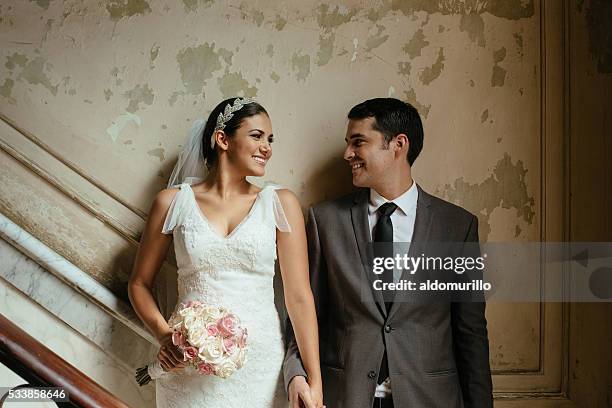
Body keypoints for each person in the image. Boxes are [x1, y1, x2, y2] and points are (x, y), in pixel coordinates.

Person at [284, 98, 493, 408]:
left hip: (430, 399)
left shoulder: (457, 227)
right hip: (346, 397)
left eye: (358, 142)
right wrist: (295, 374)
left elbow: (471, 334)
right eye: (348, 143)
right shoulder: (325, 221)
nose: (347, 154)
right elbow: (304, 314)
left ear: (398, 144)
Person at [128, 97, 324, 408]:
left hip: (258, 366)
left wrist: (314, 381)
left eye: (270, 139)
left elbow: (299, 297)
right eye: (257, 136)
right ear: (223, 139)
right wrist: (166, 337)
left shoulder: (281, 203)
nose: (267, 148)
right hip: (187, 360)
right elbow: (138, 284)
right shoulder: (172, 203)